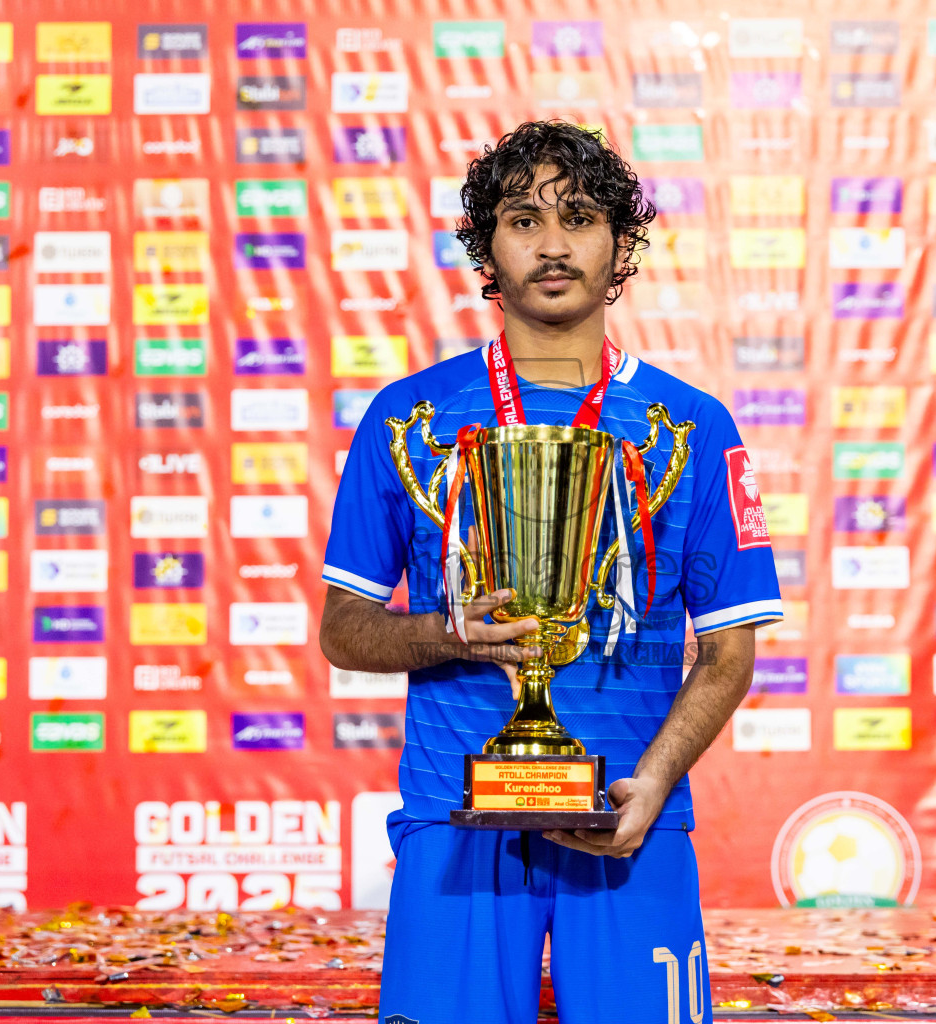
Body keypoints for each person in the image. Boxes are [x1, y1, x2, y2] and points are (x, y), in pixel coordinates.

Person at [318, 120, 783, 1024]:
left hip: (628, 822)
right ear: (485, 248)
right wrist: (448, 631)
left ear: (621, 244)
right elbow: (345, 628)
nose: (555, 242)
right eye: (524, 219)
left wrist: (654, 782)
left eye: (580, 216)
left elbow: (729, 652)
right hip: (453, 815)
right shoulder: (407, 417)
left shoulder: (693, 426)